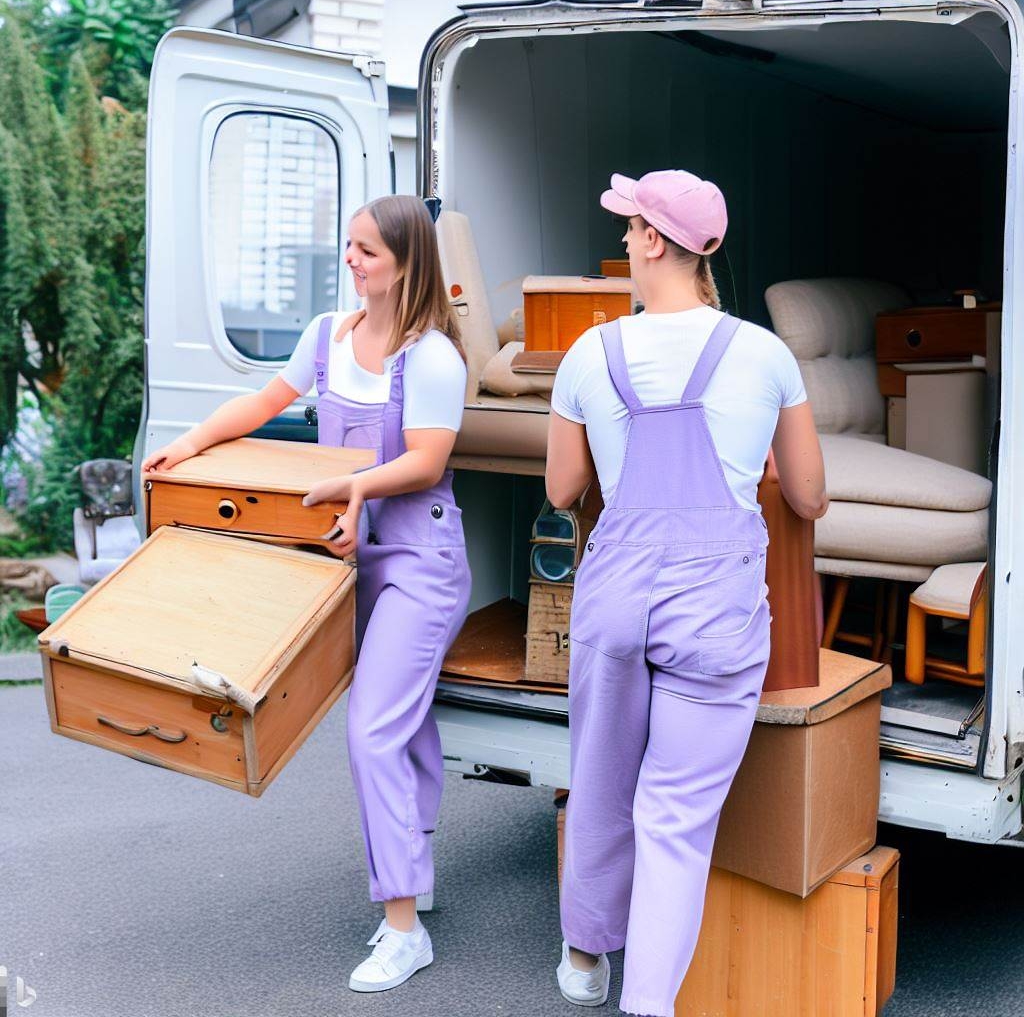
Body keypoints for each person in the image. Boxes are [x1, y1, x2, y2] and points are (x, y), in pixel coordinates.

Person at [142, 195, 471, 994]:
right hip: (343, 558)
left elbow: (427, 461)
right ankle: (411, 872)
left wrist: (350, 484)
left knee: (372, 731)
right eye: (350, 246)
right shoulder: (329, 334)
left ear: (406, 265)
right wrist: (185, 444)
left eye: (367, 251)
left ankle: (404, 928)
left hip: (419, 560)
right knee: (403, 722)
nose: (351, 261)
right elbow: (263, 404)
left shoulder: (432, 358)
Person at [545, 170, 828, 1015]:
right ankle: (649, 1006)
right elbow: (810, 497)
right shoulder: (767, 354)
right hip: (715, 606)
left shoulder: (590, 352)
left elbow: (563, 490)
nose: (625, 241)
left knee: (601, 782)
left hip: (615, 597)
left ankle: (587, 958)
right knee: (672, 818)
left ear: (657, 242)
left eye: (630, 227)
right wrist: (760, 463)